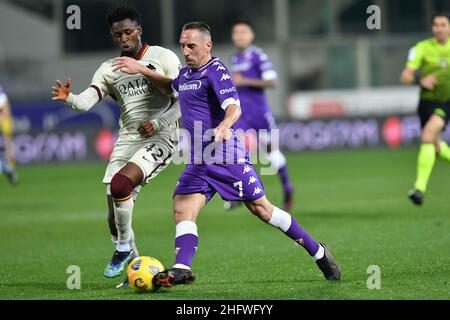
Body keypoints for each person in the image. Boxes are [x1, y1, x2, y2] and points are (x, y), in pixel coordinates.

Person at [112, 22, 341, 287]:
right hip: (199, 161)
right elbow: (169, 87)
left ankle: (319, 252)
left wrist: (224, 124)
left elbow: (234, 106)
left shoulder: (216, 71)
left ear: (207, 46)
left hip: (225, 156)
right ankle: (181, 268)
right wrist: (140, 68)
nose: (185, 51)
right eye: (183, 45)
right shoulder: (186, 75)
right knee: (182, 210)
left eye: (191, 46)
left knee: (263, 210)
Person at [51, 5, 182, 284]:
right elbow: (87, 101)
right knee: (114, 211)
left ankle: (122, 249)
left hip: (162, 135)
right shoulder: (108, 69)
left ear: (139, 30)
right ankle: (134, 268)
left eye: (128, 32)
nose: (124, 39)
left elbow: (182, 95)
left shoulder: (163, 56)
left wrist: (159, 122)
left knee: (122, 185)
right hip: (128, 139)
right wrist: (69, 97)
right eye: (117, 35)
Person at [224, 20, 294, 211]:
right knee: (233, 151)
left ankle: (287, 187)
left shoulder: (258, 55)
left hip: (259, 113)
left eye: (243, 32)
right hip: (240, 114)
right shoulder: (234, 58)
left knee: (271, 152)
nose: (239, 36)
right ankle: (237, 194)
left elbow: (272, 82)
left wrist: (244, 80)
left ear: (251, 35)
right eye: (235, 32)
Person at [400, 12, 450, 206]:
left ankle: (419, 188)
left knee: (428, 136)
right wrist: (421, 80)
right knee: (434, 145)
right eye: (436, 25)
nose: (439, 28)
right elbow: (405, 77)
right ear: (432, 28)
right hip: (426, 104)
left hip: (446, 102)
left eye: (443, 24)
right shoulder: (421, 48)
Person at [0, 85, 18, 185]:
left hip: (4, 118)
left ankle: (10, 168)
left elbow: (5, 109)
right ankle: (8, 169)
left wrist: (4, 117)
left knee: (8, 142)